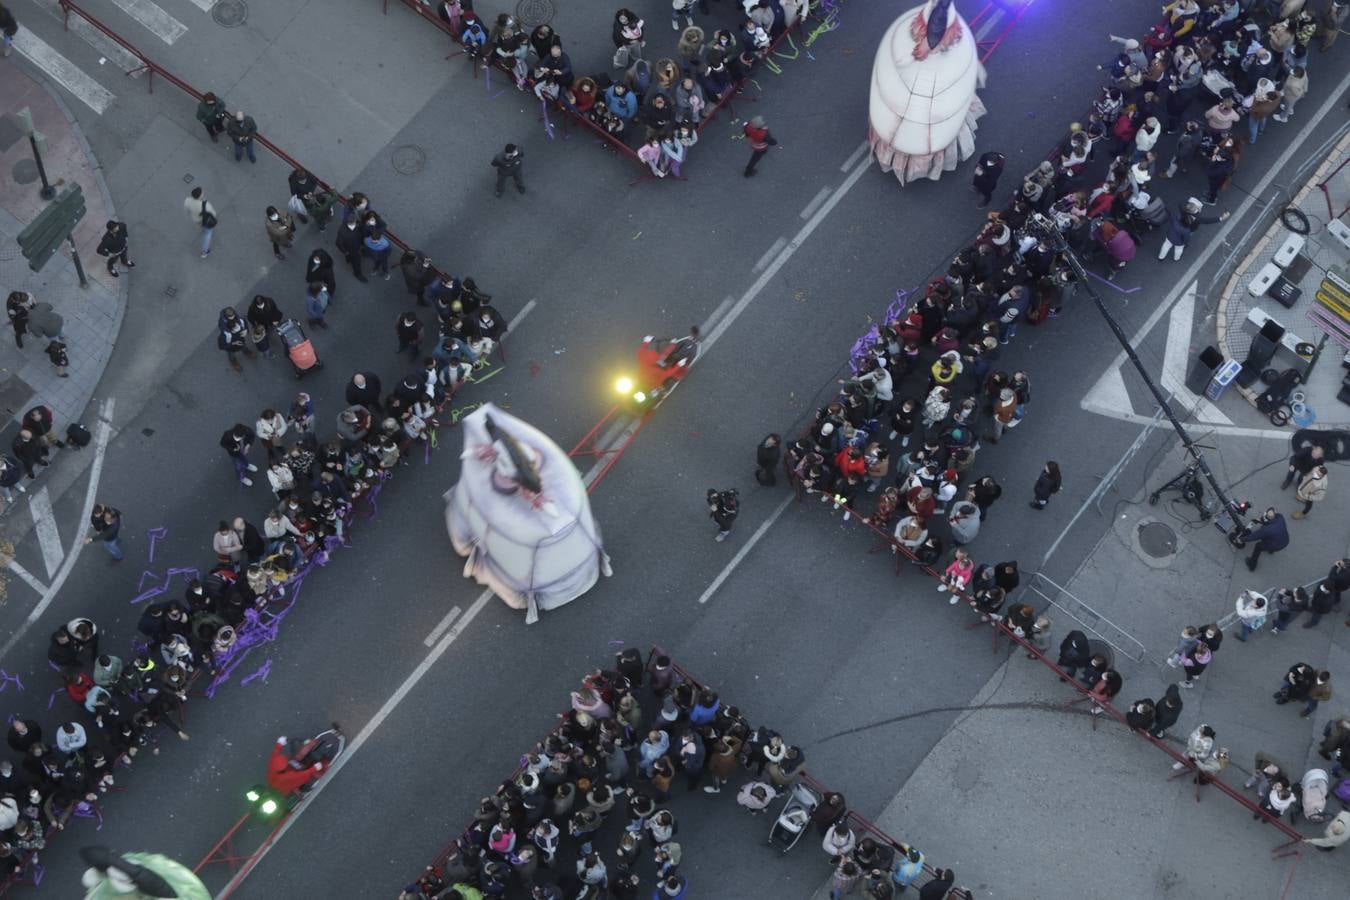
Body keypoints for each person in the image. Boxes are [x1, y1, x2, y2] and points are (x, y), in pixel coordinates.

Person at [185, 187, 217, 258]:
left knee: (202, 226)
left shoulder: (187, 200)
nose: (203, 193)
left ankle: (203, 228)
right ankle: (204, 252)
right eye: (202, 193)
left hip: (196, 220)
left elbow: (187, 210)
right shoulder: (205, 205)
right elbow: (213, 214)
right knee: (208, 234)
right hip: (205, 221)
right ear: (200, 196)